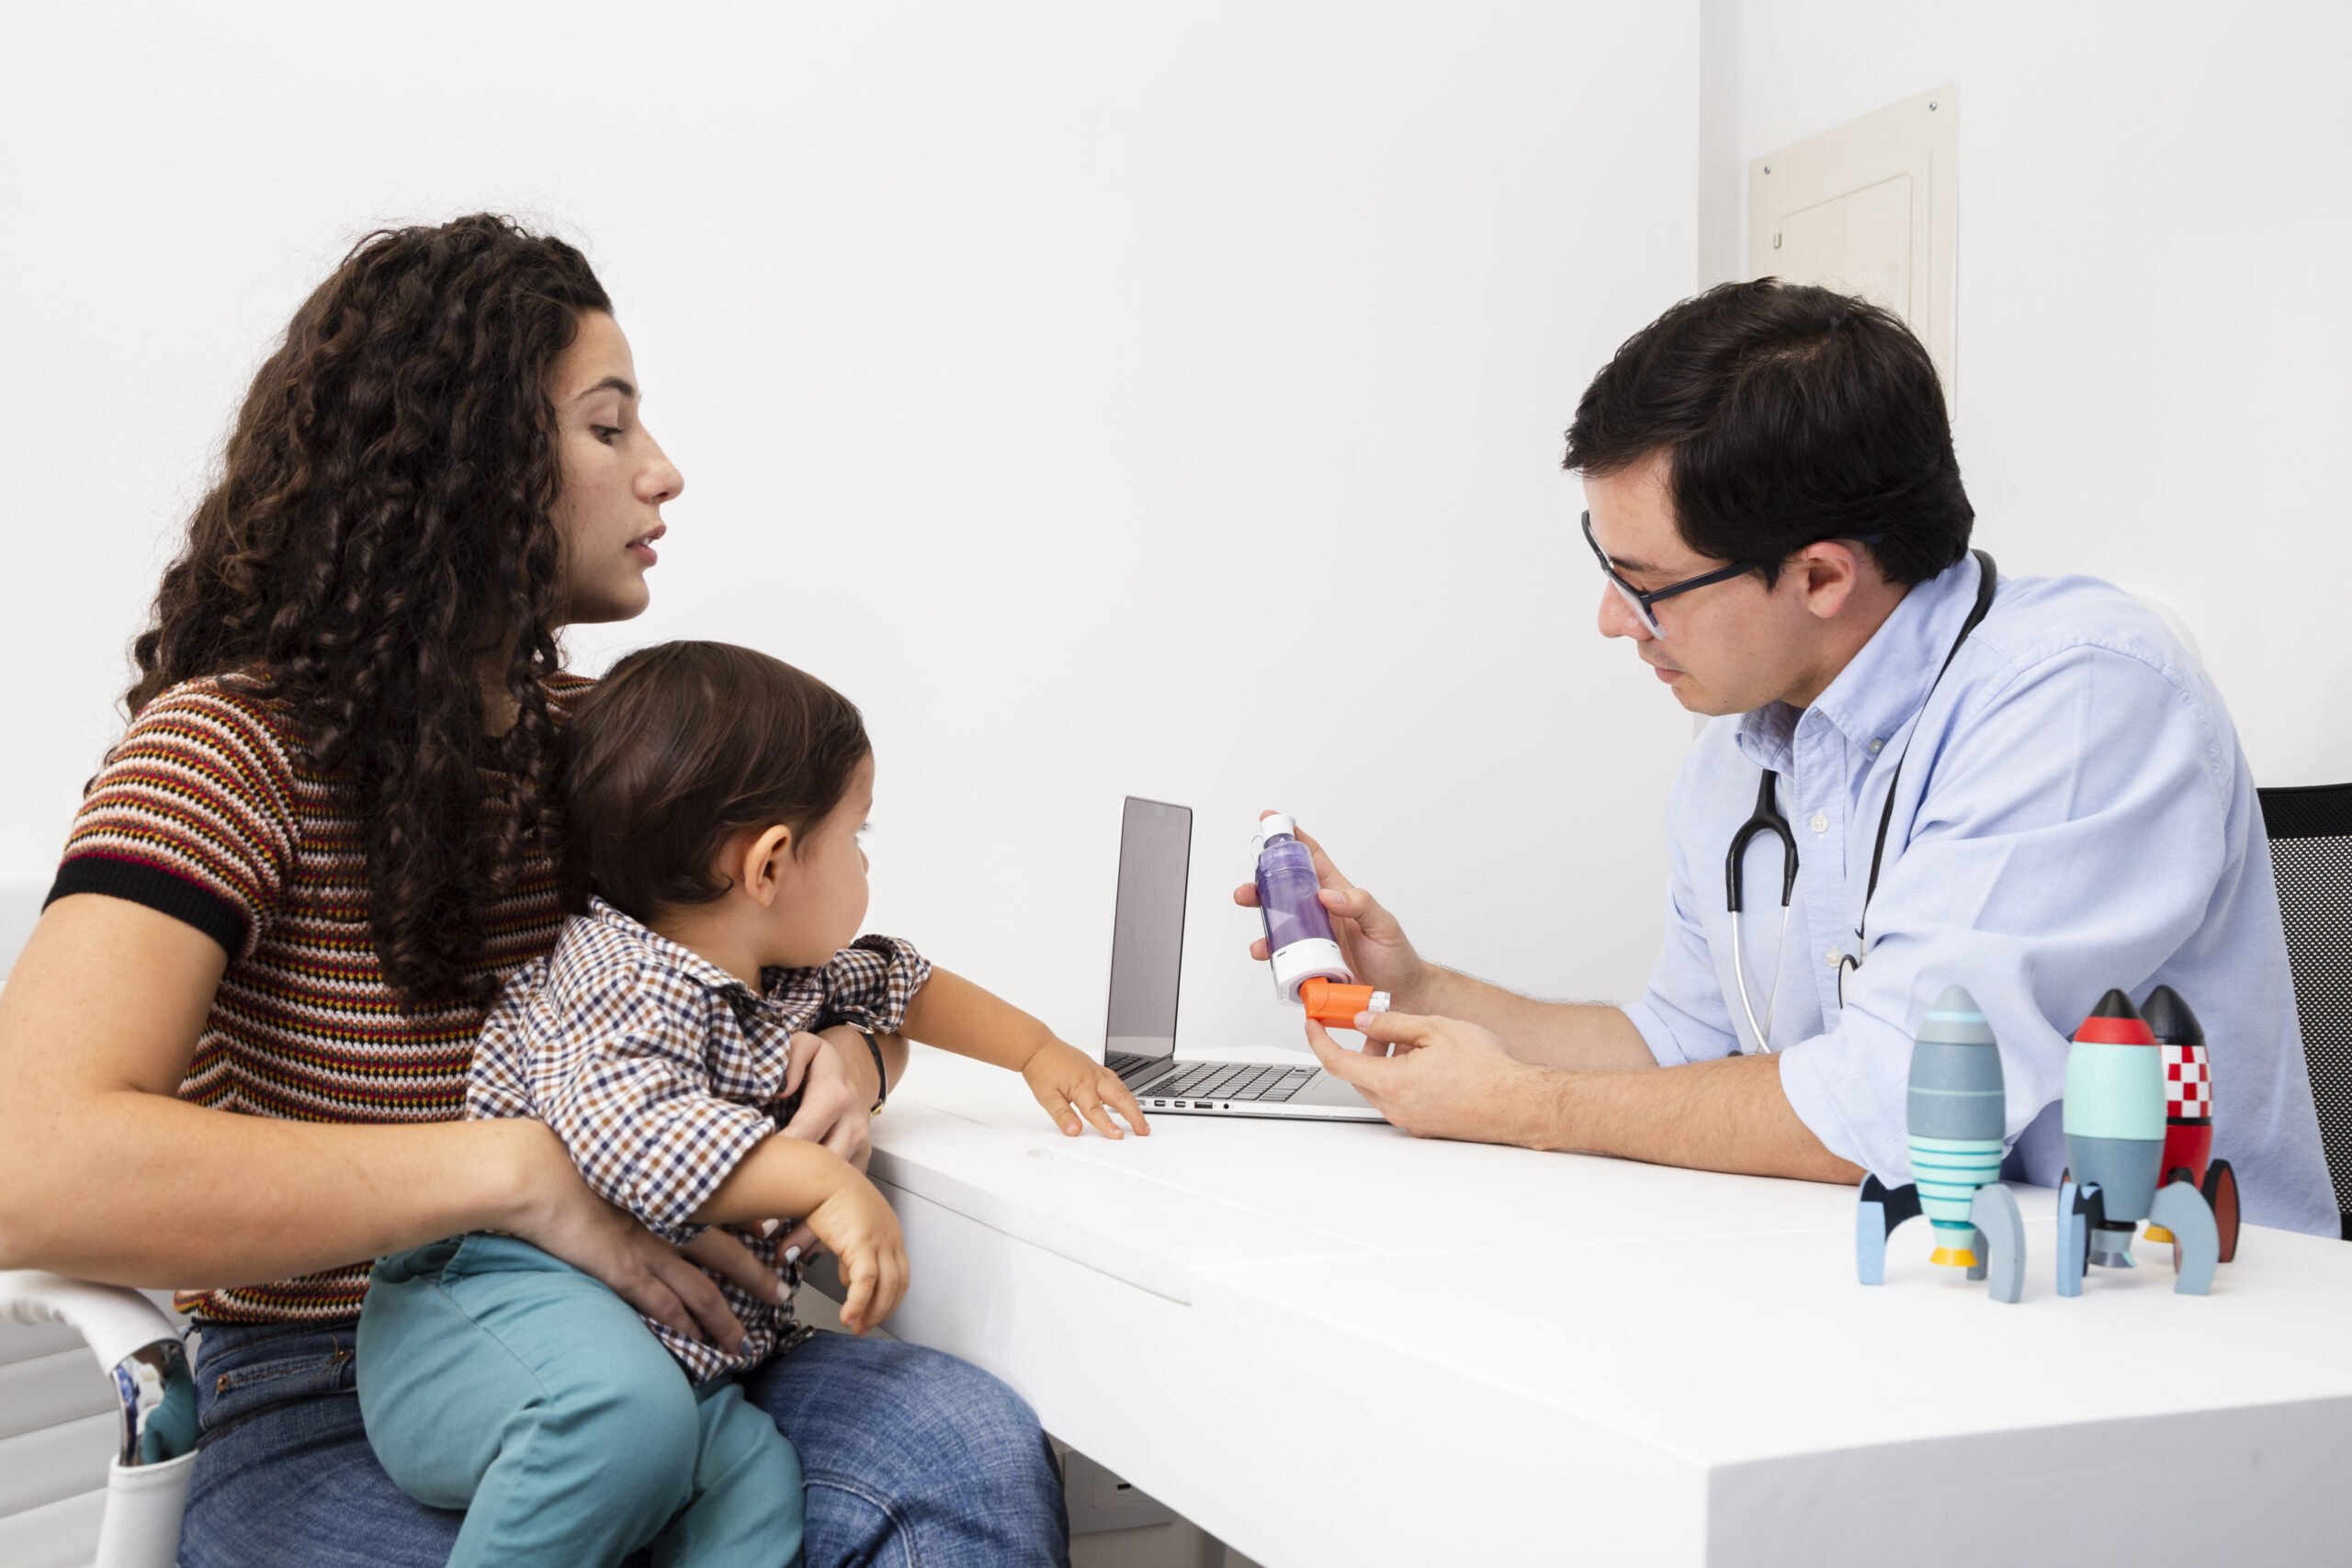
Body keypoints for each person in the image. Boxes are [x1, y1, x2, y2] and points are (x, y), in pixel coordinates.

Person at [0, 214, 1074, 1566]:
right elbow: (24, 1163)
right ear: (468, 462)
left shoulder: (613, 752)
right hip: (325, 1389)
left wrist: (855, 1054)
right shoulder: (226, 751)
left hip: (676, 1341)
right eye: (608, 427)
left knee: (958, 1451)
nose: (665, 473)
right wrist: (512, 1173)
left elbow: (805, 962)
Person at [1239, 279, 2338, 1235]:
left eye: (1647, 585)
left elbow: (1906, 1103)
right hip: (1894, 1296)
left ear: (1820, 576)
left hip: (2167, 1336)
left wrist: (1518, 1104)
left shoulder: (2083, 693)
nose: (1613, 623)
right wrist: (1419, 986)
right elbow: (1680, 1045)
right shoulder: (1748, 748)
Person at [357, 640, 1146, 1568]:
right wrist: (818, 1180)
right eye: (857, 838)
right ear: (769, 865)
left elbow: (906, 981)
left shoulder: (780, 981)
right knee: (620, 1424)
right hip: (488, 1303)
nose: (864, 864)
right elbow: (632, 1137)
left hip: (671, 1353)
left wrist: (1035, 1051)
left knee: (757, 1496)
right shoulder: (617, 979)